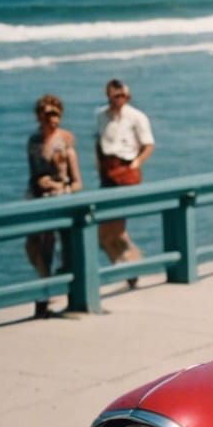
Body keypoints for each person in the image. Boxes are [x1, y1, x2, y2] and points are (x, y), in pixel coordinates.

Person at [25, 94, 81, 318]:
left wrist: (60, 186)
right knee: (34, 246)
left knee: (55, 248)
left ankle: (47, 295)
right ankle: (45, 286)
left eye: (56, 114)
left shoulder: (65, 140)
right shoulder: (34, 141)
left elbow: (77, 182)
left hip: (59, 198)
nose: (52, 119)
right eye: (48, 114)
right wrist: (40, 183)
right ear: (39, 116)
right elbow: (33, 173)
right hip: (37, 199)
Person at [94, 79, 154, 285]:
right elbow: (99, 142)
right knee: (105, 235)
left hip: (126, 170)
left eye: (124, 96)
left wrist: (135, 164)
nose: (121, 100)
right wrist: (100, 170)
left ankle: (132, 269)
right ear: (109, 96)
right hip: (108, 173)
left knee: (115, 231)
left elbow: (148, 145)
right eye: (117, 96)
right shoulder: (101, 116)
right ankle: (129, 269)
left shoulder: (136, 117)